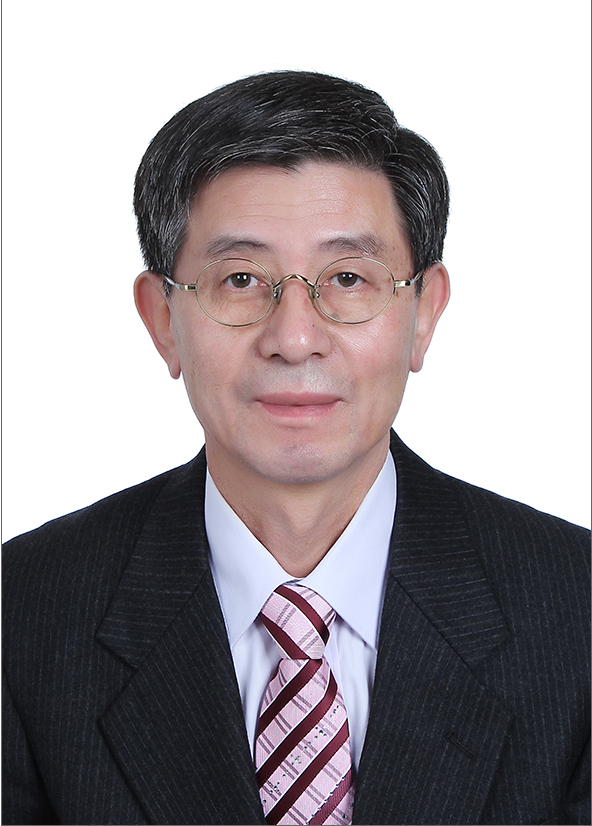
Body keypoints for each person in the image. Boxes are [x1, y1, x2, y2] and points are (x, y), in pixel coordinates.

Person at [2, 71, 589, 826]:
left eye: (347, 278)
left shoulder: (577, 612)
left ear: (423, 315)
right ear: (162, 320)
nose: (295, 337)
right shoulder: (22, 616)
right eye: (242, 279)